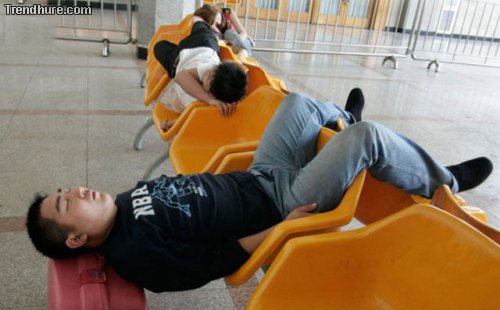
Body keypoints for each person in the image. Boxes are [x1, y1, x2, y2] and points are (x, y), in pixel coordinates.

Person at [26, 89, 493, 292]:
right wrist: (281, 228)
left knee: (297, 104)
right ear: (76, 238)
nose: (80, 190)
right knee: (365, 139)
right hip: (283, 203)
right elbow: (220, 260)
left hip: (259, 175)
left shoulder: (122, 205)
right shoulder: (136, 255)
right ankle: (445, 182)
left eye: (69, 189)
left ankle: (342, 115)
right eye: (68, 203)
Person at [153, 4, 248, 129]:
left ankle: (191, 36)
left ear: (212, 92)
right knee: (199, 24)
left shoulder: (206, 95)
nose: (208, 72)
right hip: (205, 44)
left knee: (159, 46)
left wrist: (170, 124)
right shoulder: (212, 70)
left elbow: (190, 114)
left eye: (208, 77)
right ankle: (205, 23)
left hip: (177, 60)